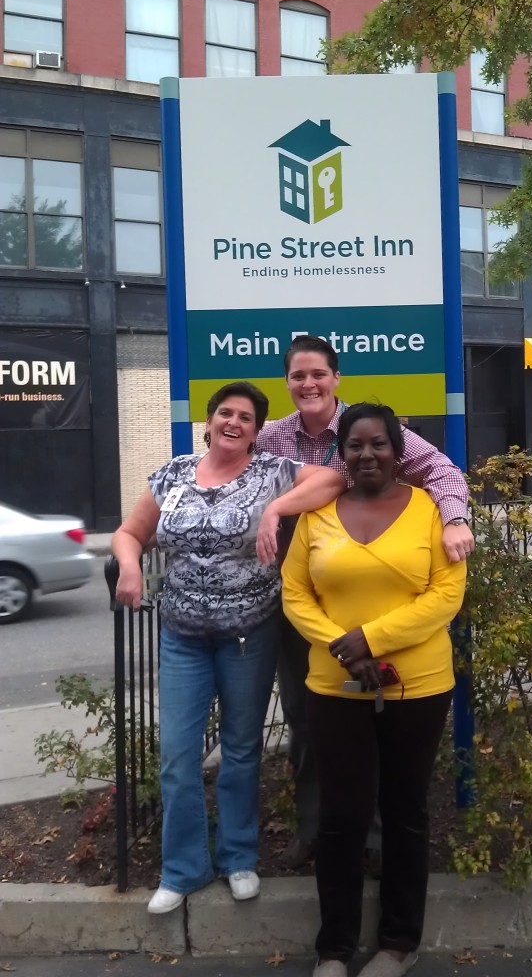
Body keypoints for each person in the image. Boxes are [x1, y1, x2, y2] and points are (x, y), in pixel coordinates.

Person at [112, 381, 346, 915]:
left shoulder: (271, 471)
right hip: (182, 637)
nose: (233, 422)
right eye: (225, 413)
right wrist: (129, 564)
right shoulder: (173, 474)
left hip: (249, 634)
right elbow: (130, 532)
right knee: (177, 755)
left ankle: (239, 857)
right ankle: (183, 869)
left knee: (241, 751)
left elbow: (334, 477)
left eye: (245, 416)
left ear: (257, 431)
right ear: (210, 420)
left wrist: (275, 509)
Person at [256, 335, 474, 869]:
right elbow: (238, 483)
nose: (308, 384)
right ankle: (316, 828)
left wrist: (455, 519)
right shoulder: (270, 438)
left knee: (385, 726)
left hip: (382, 610)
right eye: (298, 376)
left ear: (336, 379)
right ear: (287, 383)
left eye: (318, 374)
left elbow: (441, 471)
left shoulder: (367, 429)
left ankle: (376, 837)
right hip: (304, 595)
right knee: (308, 719)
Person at [280, 402, 467, 977]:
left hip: (419, 687)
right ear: (341, 453)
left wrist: (371, 639)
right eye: (355, 445)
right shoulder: (317, 515)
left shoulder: (431, 511)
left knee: (405, 813)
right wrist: (343, 646)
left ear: (398, 450)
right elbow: (294, 594)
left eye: (378, 444)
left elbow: (445, 595)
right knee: (341, 817)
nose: (366, 454)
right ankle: (333, 948)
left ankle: (397, 943)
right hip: (334, 689)